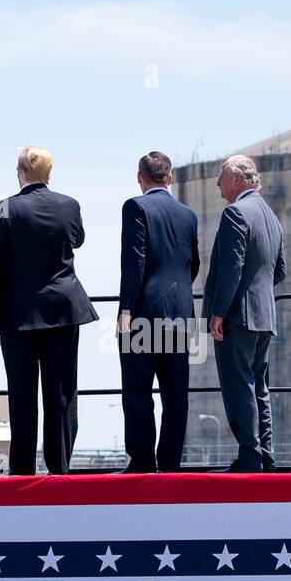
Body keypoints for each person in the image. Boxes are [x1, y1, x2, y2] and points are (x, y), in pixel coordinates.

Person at [0, 147, 98, 475]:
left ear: (20, 173)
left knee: (22, 393)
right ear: (49, 174)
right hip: (63, 309)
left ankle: (21, 470)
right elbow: (77, 240)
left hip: (18, 313)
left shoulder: (3, 209)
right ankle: (59, 468)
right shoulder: (69, 205)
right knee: (61, 394)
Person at [117, 151, 199, 473]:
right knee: (176, 394)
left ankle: (142, 462)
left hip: (143, 314)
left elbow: (134, 260)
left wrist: (126, 309)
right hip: (181, 314)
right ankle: (170, 464)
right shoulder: (188, 214)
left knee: (137, 390)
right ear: (170, 177)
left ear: (140, 178)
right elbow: (193, 264)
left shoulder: (135, 207)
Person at [203, 155, 286, 473]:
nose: (217, 183)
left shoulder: (235, 213)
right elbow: (280, 271)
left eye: (221, 177)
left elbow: (231, 270)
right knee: (259, 387)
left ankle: (249, 458)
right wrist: (258, 292)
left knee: (239, 385)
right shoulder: (271, 217)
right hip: (264, 316)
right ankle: (266, 455)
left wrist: (218, 312)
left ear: (237, 178)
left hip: (239, 317)